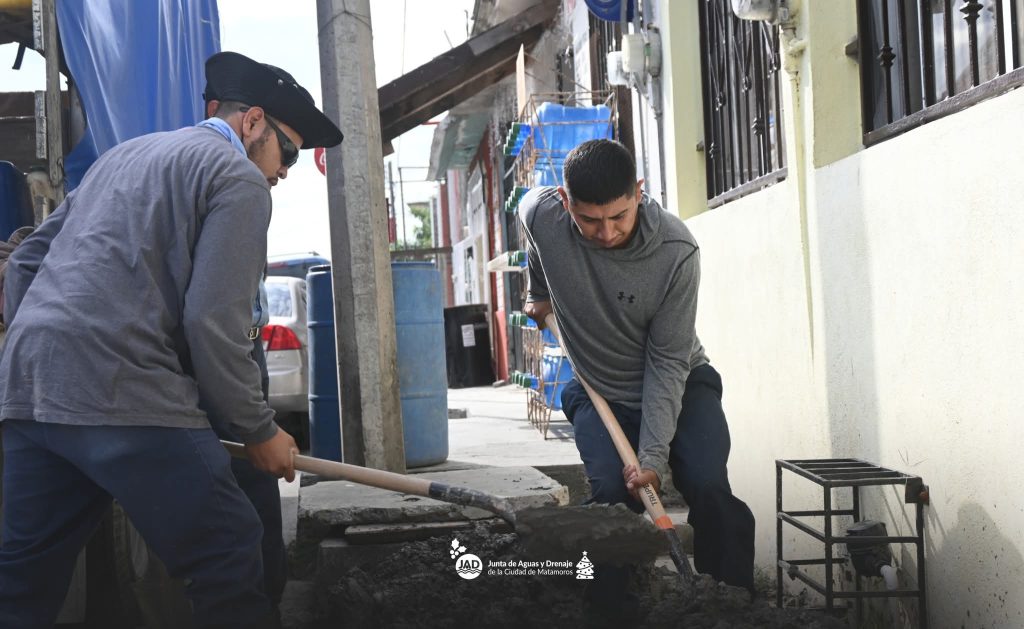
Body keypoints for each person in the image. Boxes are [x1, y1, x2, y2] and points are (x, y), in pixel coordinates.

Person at [0, 51, 342, 628]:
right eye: (288, 150)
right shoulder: (236, 178)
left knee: (19, 579)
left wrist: (45, 338)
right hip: (123, 386)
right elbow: (212, 321)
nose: (284, 170)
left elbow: (28, 258)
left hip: (31, 387)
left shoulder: (124, 156)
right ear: (252, 122)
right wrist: (259, 430)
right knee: (229, 550)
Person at [519, 139, 755, 618]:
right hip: (598, 389)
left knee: (708, 484)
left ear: (639, 192)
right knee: (609, 495)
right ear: (565, 202)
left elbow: (667, 361)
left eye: (619, 217)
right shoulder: (543, 216)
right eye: (589, 220)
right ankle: (611, 611)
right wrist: (538, 292)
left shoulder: (675, 250)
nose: (605, 233)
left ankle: (730, 607)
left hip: (681, 383)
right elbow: (531, 224)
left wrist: (651, 457)